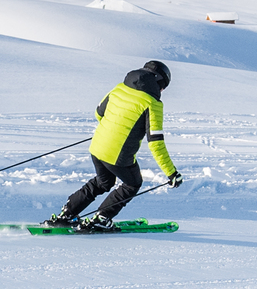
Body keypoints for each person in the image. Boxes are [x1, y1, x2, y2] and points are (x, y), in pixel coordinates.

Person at [47, 60, 181, 230]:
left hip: (97, 147)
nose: (162, 91)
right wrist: (171, 173)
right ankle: (102, 218)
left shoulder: (119, 88)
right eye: (163, 87)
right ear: (159, 82)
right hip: (118, 155)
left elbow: (99, 113)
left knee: (103, 182)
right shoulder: (152, 104)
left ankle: (66, 214)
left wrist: (111, 130)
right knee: (132, 184)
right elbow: (156, 143)